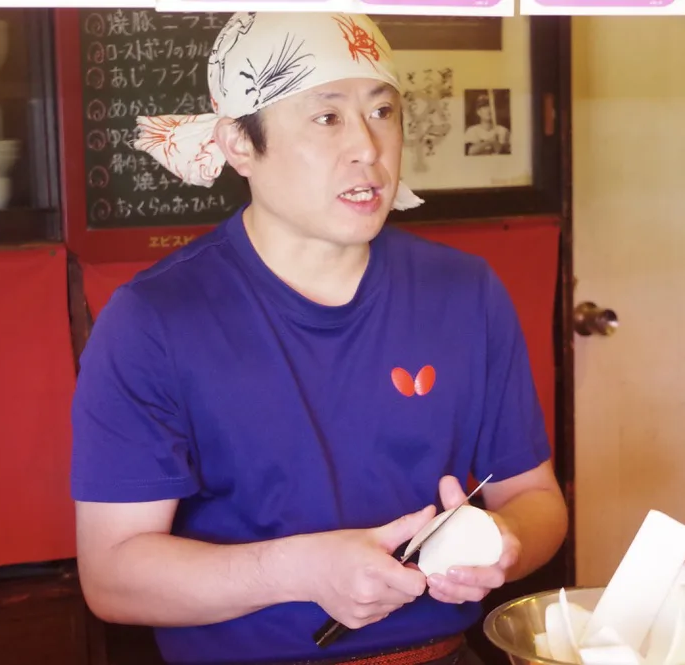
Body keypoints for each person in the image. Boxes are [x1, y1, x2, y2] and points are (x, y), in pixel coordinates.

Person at [70, 11, 568, 665]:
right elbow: (112, 576)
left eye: (382, 111)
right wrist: (300, 571)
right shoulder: (155, 318)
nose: (368, 147)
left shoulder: (464, 292)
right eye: (327, 117)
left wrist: (503, 542)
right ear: (239, 143)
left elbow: (535, 498)